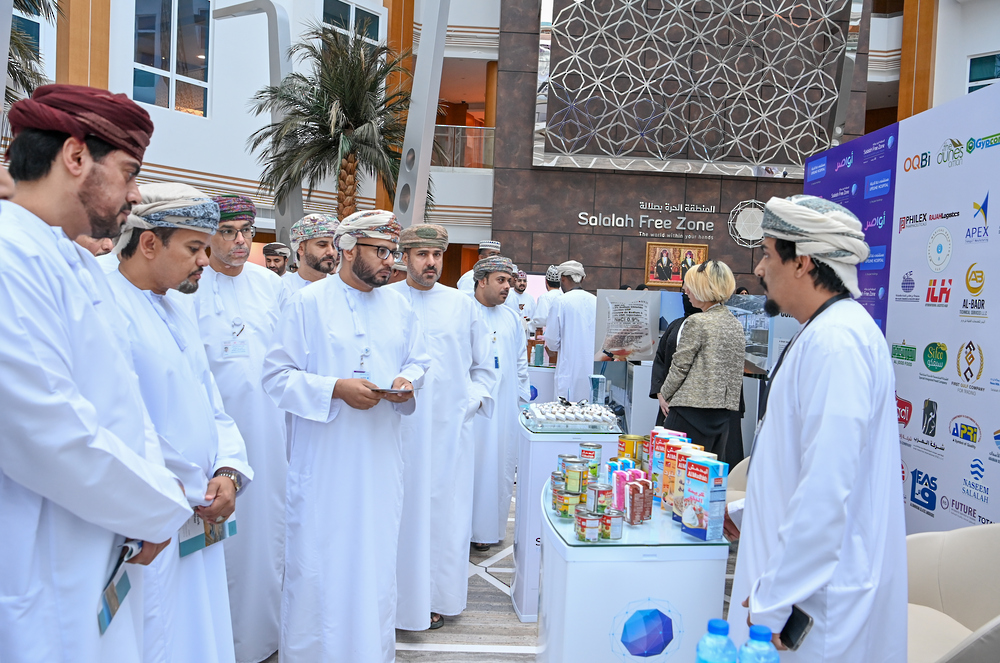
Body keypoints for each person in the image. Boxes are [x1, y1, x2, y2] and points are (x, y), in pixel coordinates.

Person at [0, 84, 195, 663]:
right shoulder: (11, 257)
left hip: (95, 541)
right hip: (42, 551)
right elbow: (42, 426)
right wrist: (156, 508)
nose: (135, 194)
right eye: (129, 172)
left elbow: (117, 406)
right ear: (76, 156)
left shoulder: (66, 259)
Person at [728, 195, 906, 661]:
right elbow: (799, 462)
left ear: (802, 262)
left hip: (814, 609)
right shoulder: (825, 331)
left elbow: (827, 487)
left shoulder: (838, 344)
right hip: (797, 591)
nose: (761, 269)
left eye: (767, 254)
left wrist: (774, 601)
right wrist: (746, 513)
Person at [262, 210, 429, 663]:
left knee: (373, 569)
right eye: (381, 252)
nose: (390, 262)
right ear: (348, 248)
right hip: (324, 468)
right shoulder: (307, 303)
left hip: (379, 463)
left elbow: (419, 360)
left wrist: (406, 382)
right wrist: (334, 388)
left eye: (392, 253)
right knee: (318, 566)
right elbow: (276, 377)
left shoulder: (399, 305)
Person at [108, 183, 253, 663]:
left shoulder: (174, 303)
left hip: (199, 511)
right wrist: (190, 486)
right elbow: (122, 421)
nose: (205, 262)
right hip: (148, 521)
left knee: (199, 633)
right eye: (194, 248)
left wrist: (229, 471)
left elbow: (211, 403)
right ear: (149, 243)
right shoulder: (101, 301)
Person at [193, 194, 287, 663]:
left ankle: (262, 640)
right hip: (209, 445)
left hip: (269, 439)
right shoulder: (186, 286)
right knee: (214, 546)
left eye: (245, 232)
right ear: (209, 234)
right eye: (228, 232)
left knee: (264, 540)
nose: (238, 241)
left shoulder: (271, 285)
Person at [389, 224, 496, 631]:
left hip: (450, 434)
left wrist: (465, 407)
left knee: (445, 515)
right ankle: (393, 601)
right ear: (405, 256)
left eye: (436, 255)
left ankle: (436, 598)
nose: (430, 262)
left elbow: (484, 369)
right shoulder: (385, 299)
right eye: (421, 254)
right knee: (398, 514)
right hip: (395, 431)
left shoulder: (461, 304)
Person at [470, 256, 530, 552]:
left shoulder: (510, 317)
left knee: (500, 466)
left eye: (509, 281)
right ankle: (461, 529)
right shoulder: (464, 311)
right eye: (501, 280)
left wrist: (520, 401)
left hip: (505, 408)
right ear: (482, 281)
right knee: (471, 466)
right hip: (471, 410)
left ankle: (488, 530)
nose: (508, 286)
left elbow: (521, 362)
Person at [657, 260, 744, 456]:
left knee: (675, 474)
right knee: (704, 476)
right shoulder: (735, 324)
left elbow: (680, 366)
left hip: (688, 411)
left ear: (703, 288)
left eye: (690, 286)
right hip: (721, 415)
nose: (686, 291)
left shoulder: (697, 322)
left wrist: (664, 393)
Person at [545, 260, 597, 401]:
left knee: (566, 417)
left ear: (562, 279)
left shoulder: (560, 302)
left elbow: (552, 342)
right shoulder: (596, 300)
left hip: (568, 373)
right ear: (582, 278)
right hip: (593, 372)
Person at [649, 292, 700, 426]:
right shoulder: (675, 325)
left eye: (690, 291)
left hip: (699, 405)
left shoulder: (711, 327)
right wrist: (661, 394)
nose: (686, 296)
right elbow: (660, 359)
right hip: (669, 402)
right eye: (684, 292)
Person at [282, 213, 339, 295]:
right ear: (300, 249)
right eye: (322, 245)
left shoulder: (342, 289)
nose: (331, 252)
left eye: (334, 246)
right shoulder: (282, 289)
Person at [531, 264, 562, 339]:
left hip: (548, 338)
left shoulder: (545, 298)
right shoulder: (564, 297)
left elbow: (540, 320)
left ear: (546, 282)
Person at [504, 269, 535, 338]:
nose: (522, 283)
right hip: (510, 333)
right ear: (515, 281)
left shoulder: (530, 298)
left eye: (524, 281)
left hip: (526, 335)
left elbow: (533, 318)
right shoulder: (508, 295)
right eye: (519, 280)